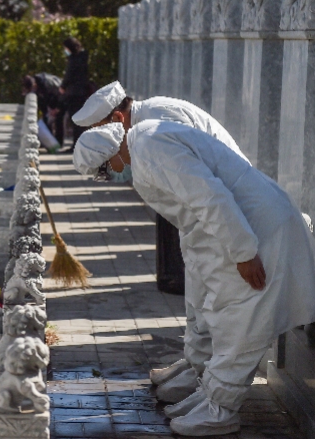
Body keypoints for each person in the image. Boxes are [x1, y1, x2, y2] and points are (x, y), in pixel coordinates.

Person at [73, 121, 315, 436]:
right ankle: (212, 397)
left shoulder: (151, 150)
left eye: (104, 170)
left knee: (243, 322)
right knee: (227, 316)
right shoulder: (144, 146)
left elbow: (209, 197)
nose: (111, 176)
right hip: (244, 228)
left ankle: (222, 411)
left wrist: (243, 253)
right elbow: (189, 214)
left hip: (259, 232)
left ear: (110, 155)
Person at [73, 81, 250, 404]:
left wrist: (239, 246)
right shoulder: (143, 125)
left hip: (224, 208)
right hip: (199, 212)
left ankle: (210, 378)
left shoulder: (158, 120)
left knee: (212, 295)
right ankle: (196, 363)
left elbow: (201, 186)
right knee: (195, 291)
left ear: (116, 119)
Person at [60, 37, 92, 149]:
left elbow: (69, 75)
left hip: (73, 93)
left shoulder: (73, 60)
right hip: (82, 92)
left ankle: (76, 145)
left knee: (75, 120)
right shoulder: (83, 58)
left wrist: (63, 86)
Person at [23, 73, 64, 143]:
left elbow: (60, 95)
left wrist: (57, 108)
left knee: (58, 119)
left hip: (61, 97)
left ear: (34, 84)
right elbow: (42, 101)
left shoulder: (47, 83)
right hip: (51, 100)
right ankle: (49, 141)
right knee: (46, 118)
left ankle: (58, 141)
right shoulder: (37, 86)